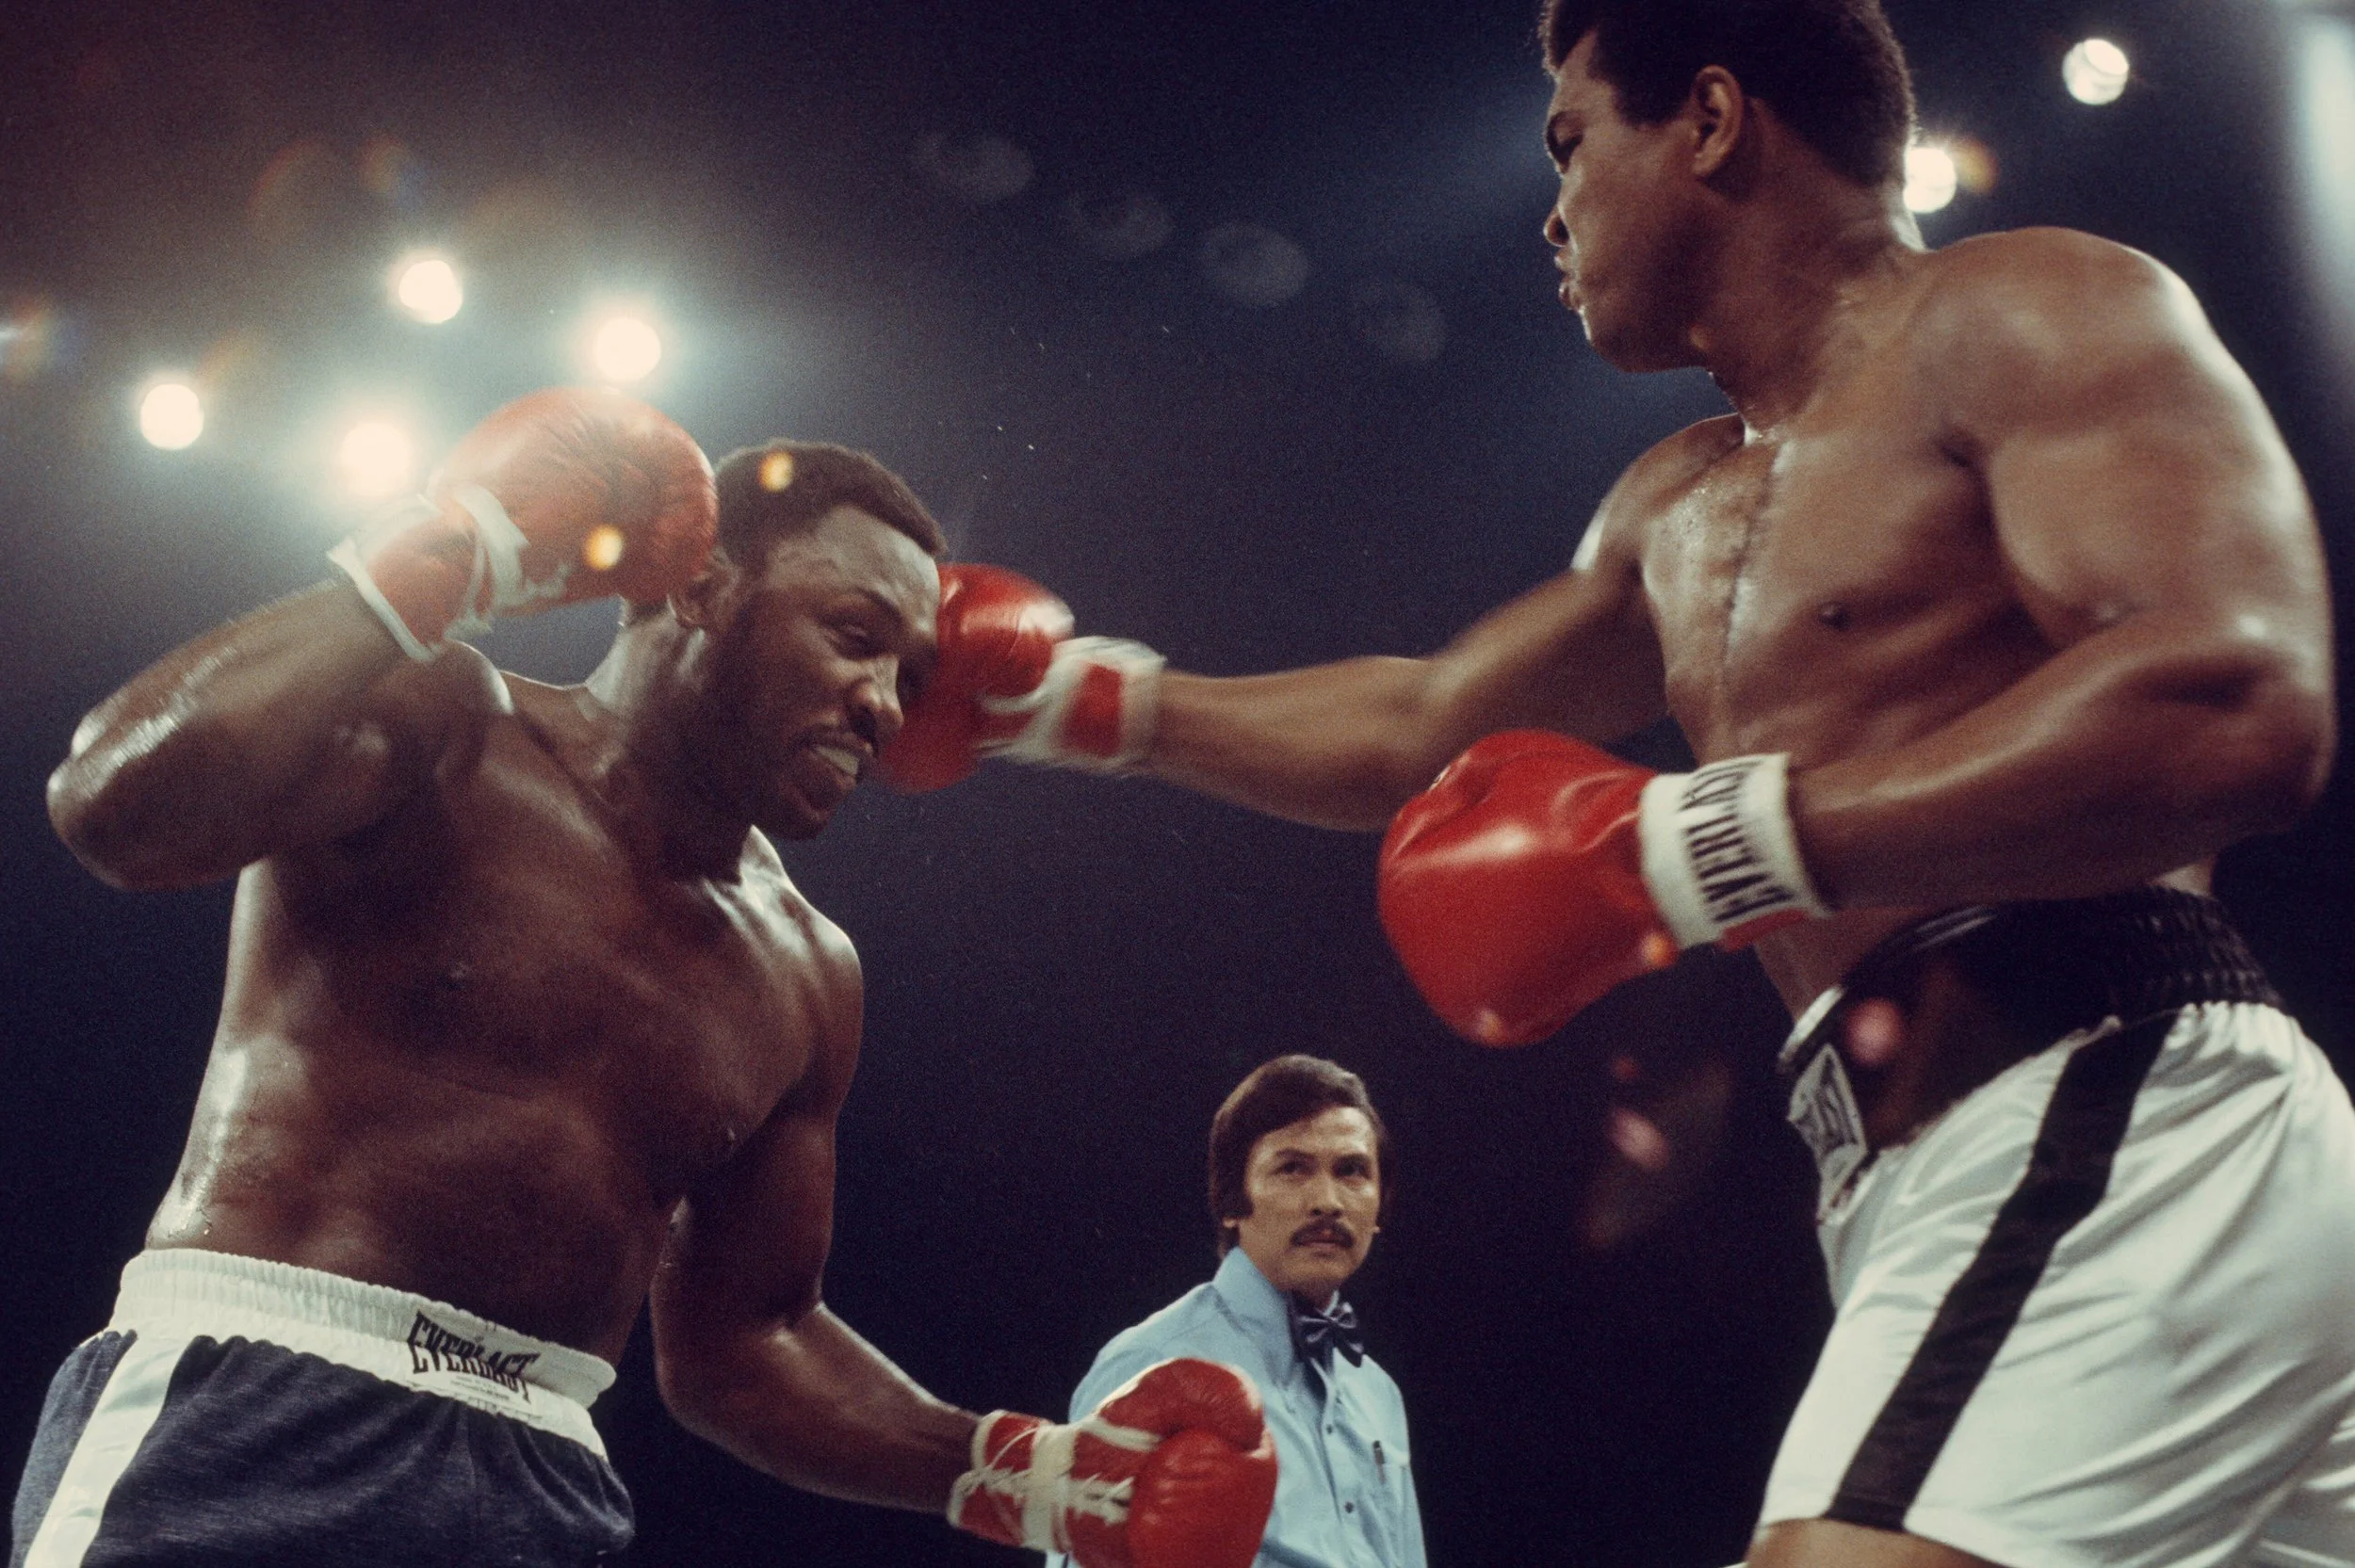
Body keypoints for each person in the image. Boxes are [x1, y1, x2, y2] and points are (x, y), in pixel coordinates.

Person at [878, 0, 2355, 1563]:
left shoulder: (2021, 311)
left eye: (1573, 143)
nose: (1551, 206)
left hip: (2106, 1094)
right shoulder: (1677, 503)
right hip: (1928, 1156)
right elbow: (1422, 725)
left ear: (1711, 120)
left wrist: (1704, 845)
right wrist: (1070, 702)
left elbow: (2237, 695)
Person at [16, 387, 1277, 1568]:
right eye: (854, 637)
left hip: (542, 1472)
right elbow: (117, 808)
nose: (888, 706)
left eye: (911, 675)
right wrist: (440, 558)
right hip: (257, 1396)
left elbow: (748, 1344)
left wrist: (1034, 1475)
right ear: (699, 589)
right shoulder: (444, 725)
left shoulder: (804, 970)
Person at [1051, 1056, 1425, 1568]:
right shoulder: (1153, 1361)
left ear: (1380, 1208)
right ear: (1232, 1200)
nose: (1328, 1201)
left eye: (1352, 1171)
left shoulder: (1377, 1392)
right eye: (1293, 1168)